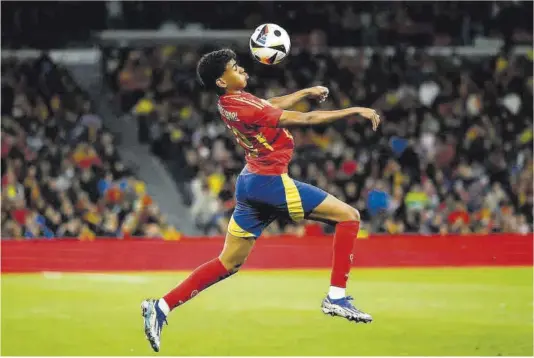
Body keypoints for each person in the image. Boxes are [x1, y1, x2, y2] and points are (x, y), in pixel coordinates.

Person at [141, 49, 381, 352]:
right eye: (234, 68)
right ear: (220, 80)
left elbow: (270, 105)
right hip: (270, 182)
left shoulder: (231, 102)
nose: (241, 69)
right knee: (349, 216)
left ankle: (160, 307)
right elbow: (307, 119)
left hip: (250, 183)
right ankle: (336, 296)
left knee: (227, 262)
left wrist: (305, 91)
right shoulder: (244, 106)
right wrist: (354, 111)